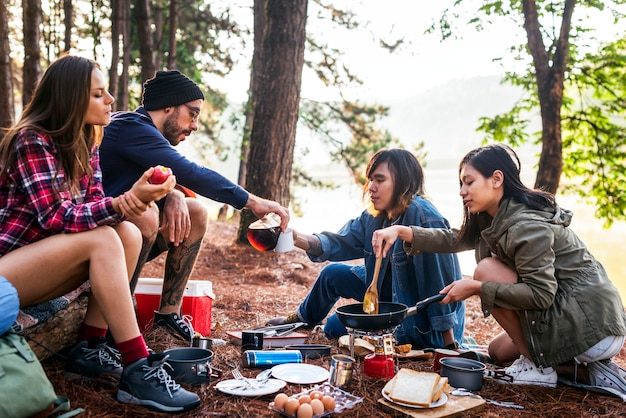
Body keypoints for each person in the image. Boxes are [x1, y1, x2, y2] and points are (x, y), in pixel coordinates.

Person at [0, 55, 200, 413]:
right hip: (8, 269)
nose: (110, 100)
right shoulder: (32, 140)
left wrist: (147, 197)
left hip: (44, 263)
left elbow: (96, 208)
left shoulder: (87, 143)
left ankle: (89, 347)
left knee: (126, 232)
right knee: (108, 235)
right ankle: (138, 369)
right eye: (97, 94)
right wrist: (126, 201)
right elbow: (56, 217)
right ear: (69, 99)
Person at [372, 143, 626, 392]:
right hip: (571, 315)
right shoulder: (493, 217)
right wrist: (400, 230)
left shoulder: (526, 225)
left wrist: (477, 288)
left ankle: (541, 369)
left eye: (469, 182)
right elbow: (454, 239)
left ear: (496, 179)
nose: (462, 191)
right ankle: (589, 373)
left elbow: (541, 294)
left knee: (486, 271)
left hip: (591, 325)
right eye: (461, 183)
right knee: (498, 352)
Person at [100, 70, 289, 341]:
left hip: (116, 231)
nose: (195, 124)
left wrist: (174, 194)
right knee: (146, 215)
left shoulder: (142, 133)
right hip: (96, 231)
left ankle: (168, 317)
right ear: (168, 106)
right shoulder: (131, 127)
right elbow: (191, 172)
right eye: (193, 113)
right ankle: (118, 318)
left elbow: (168, 176)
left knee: (196, 211)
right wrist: (253, 202)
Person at [267, 149, 465, 349]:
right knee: (332, 273)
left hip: (418, 324)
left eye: (379, 180)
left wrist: (447, 345)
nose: (371, 187)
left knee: (334, 327)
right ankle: (302, 320)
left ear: (403, 183)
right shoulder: (374, 215)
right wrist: (296, 238)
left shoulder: (423, 215)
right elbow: (338, 242)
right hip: (383, 293)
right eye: (370, 180)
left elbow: (439, 283)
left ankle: (393, 331)